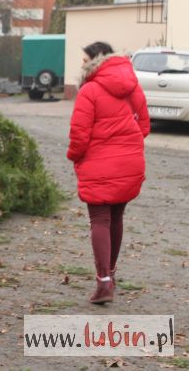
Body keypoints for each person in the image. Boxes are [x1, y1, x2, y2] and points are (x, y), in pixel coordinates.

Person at [67, 41, 150, 304]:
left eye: (84, 59)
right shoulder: (132, 85)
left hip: (98, 164)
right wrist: (127, 146)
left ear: (96, 59)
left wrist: (74, 156)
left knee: (99, 219)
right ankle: (110, 275)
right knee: (116, 218)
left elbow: (79, 135)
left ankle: (103, 283)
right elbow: (144, 125)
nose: (82, 64)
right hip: (129, 162)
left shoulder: (89, 90)